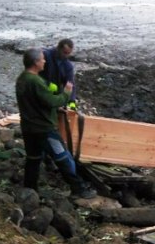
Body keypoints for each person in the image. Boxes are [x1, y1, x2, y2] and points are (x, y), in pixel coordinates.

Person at [16, 47, 96, 199]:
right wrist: (66, 92)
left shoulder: (22, 78)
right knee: (62, 157)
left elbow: (36, 101)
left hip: (28, 127)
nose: (44, 61)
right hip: (44, 129)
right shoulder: (36, 82)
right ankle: (79, 189)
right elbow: (52, 101)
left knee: (33, 158)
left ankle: (30, 188)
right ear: (35, 63)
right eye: (42, 59)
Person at [43, 39, 77, 108]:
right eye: (64, 52)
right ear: (58, 48)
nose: (66, 56)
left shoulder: (68, 66)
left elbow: (70, 84)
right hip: (41, 90)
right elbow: (35, 73)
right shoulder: (45, 56)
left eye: (68, 53)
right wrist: (47, 84)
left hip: (56, 94)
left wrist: (72, 100)